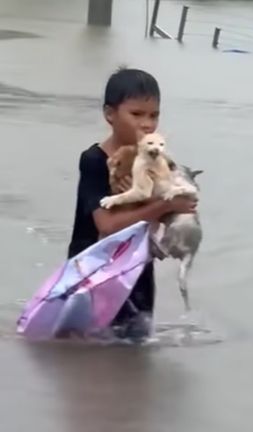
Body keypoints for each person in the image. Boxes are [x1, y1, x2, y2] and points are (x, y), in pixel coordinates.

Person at [66, 67, 197, 338]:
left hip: (137, 269)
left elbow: (168, 216)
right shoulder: (95, 161)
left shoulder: (157, 162)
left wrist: (173, 206)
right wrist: (164, 206)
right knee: (87, 355)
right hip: (94, 270)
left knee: (136, 347)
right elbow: (107, 224)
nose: (147, 124)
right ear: (109, 114)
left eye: (154, 115)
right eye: (136, 114)